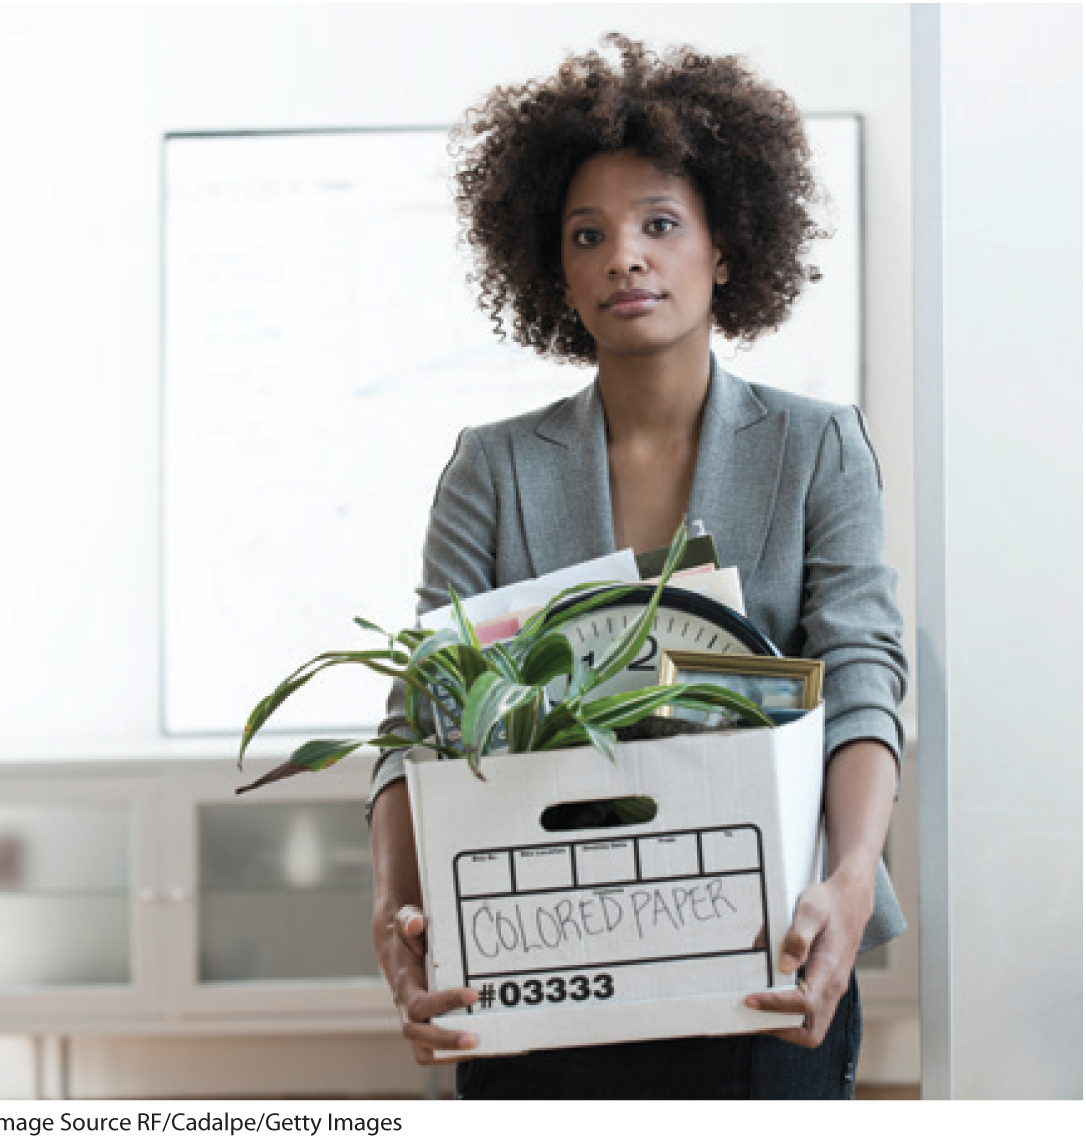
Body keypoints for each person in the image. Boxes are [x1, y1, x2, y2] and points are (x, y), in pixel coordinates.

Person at [366, 33, 908, 1100]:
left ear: (723, 250)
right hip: (534, 959)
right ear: (552, 271)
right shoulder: (492, 468)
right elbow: (421, 705)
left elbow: (859, 676)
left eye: (660, 224)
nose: (625, 255)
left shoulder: (816, 447)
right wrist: (395, 908)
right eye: (587, 234)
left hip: (766, 952)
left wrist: (846, 884)